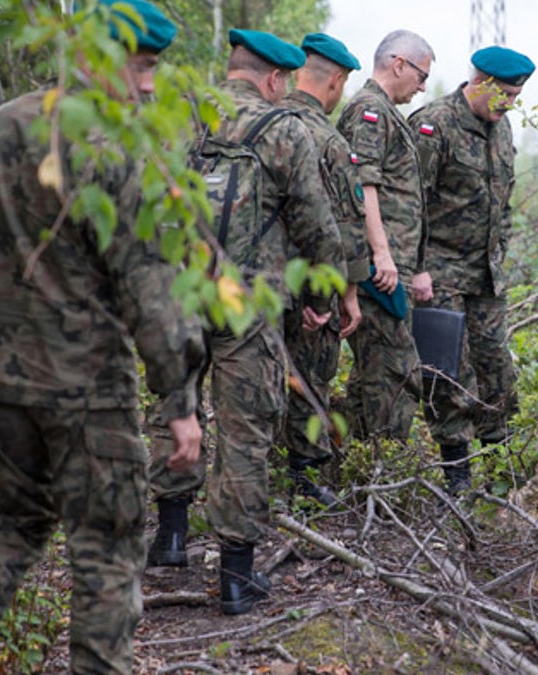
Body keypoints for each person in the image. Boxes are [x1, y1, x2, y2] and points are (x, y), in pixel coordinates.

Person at [0, 2, 204, 672]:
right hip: (88, 392)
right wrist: (182, 402)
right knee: (106, 550)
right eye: (137, 65)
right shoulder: (115, 148)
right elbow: (151, 291)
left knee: (4, 527)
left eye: (152, 67)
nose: (145, 85)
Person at [145, 28, 345, 617]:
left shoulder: (181, 114)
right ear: (276, 79)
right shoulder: (285, 129)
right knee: (244, 429)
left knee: (174, 406)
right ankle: (235, 577)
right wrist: (319, 298)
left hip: (180, 290)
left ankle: (172, 538)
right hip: (250, 305)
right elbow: (316, 225)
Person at [409, 45, 534, 494]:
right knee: (447, 377)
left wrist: (500, 252)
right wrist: (416, 268)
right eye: (502, 95)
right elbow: (409, 203)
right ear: (478, 82)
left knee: (498, 370)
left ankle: (503, 477)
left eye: (515, 97)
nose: (508, 105)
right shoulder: (434, 124)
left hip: (486, 276)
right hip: (438, 272)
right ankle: (457, 479)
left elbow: (504, 202)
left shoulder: (503, 130)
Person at [277, 33, 371, 506]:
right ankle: (304, 476)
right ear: (335, 81)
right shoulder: (327, 138)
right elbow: (346, 226)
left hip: (254, 280)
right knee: (311, 373)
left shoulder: (263, 122)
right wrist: (346, 294)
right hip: (312, 280)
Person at [336, 29, 435, 445]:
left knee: (374, 374)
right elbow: (365, 185)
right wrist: (383, 254)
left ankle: (354, 471)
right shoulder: (368, 111)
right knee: (396, 373)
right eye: (421, 75)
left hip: (390, 268)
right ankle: (379, 470)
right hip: (379, 271)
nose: (423, 86)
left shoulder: (386, 112)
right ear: (399, 64)